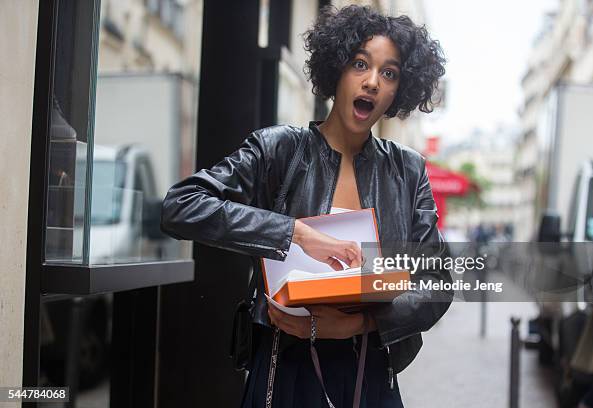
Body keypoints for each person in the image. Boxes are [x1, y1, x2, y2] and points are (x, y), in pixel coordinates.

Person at [161, 5, 452, 407]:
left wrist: (355, 325)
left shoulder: (408, 170)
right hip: (285, 372)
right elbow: (180, 206)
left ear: (400, 90)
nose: (371, 82)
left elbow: (437, 284)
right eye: (360, 64)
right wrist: (294, 233)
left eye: (389, 73)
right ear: (337, 68)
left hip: (370, 374)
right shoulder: (278, 149)